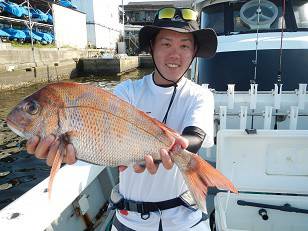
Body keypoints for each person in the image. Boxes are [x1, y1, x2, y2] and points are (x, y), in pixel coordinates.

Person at [26, 7, 217, 231]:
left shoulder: (200, 94)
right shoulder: (127, 91)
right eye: (166, 44)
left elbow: (195, 137)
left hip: (184, 221)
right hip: (129, 220)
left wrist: (176, 148)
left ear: (194, 51)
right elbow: (101, 140)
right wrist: (66, 150)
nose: (175, 54)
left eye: (184, 45)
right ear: (152, 47)